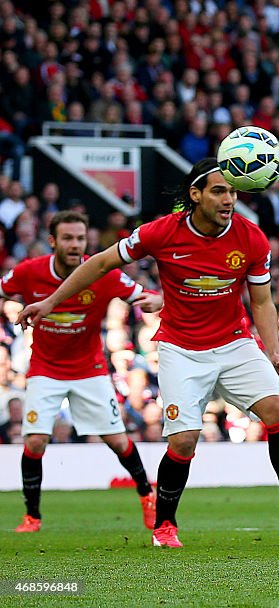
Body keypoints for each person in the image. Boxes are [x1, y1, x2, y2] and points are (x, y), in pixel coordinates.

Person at [18, 159, 279, 549]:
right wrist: (51, 301)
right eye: (219, 191)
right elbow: (102, 262)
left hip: (235, 342)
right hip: (181, 348)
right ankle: (165, 525)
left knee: (277, 410)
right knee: (184, 442)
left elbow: (262, 302)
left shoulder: (252, 239)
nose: (228, 200)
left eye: (233, 192)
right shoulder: (161, 232)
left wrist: (274, 351)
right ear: (196, 194)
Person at [3, 211, 162, 533]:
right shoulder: (28, 272)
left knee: (117, 441)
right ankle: (32, 516)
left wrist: (153, 300)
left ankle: (148, 494)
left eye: (79, 238)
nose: (75, 245)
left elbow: (141, 295)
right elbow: (3, 288)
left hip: (89, 369)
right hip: (44, 369)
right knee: (34, 442)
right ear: (53, 242)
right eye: (67, 238)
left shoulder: (102, 272)